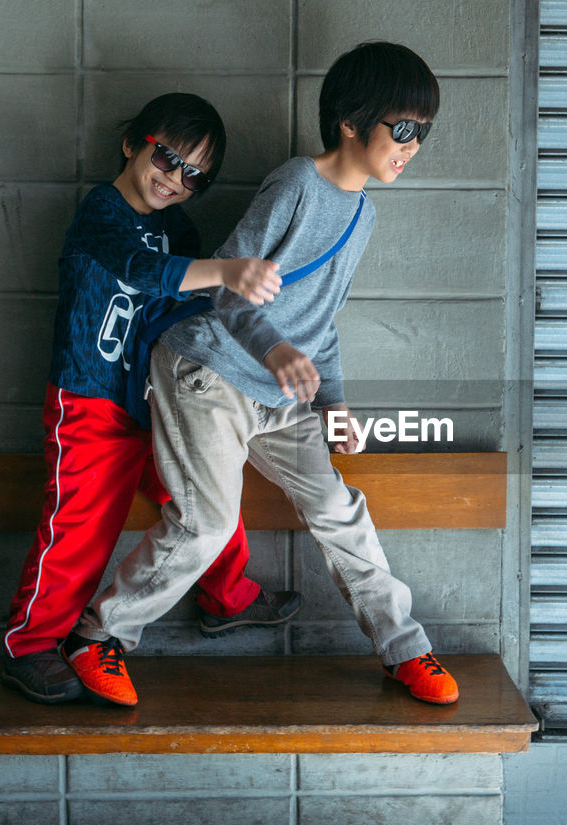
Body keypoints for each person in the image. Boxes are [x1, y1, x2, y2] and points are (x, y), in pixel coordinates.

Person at [69, 42, 459, 707]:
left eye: (422, 132)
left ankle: (405, 650)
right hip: (209, 370)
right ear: (350, 122)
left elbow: (319, 319)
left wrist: (333, 404)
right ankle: (98, 636)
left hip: (280, 394)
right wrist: (275, 350)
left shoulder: (363, 214)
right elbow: (226, 283)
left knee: (340, 509)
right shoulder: (296, 184)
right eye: (403, 128)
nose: (412, 145)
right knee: (207, 523)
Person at [1, 93, 302, 705]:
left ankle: (228, 599)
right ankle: (29, 647)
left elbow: (185, 304)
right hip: (88, 402)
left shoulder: (178, 229)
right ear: (133, 142)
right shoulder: (100, 212)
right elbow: (141, 269)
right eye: (168, 157)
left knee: (201, 500)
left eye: (196, 175)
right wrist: (222, 271)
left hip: (154, 403)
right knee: (78, 529)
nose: (176, 179)